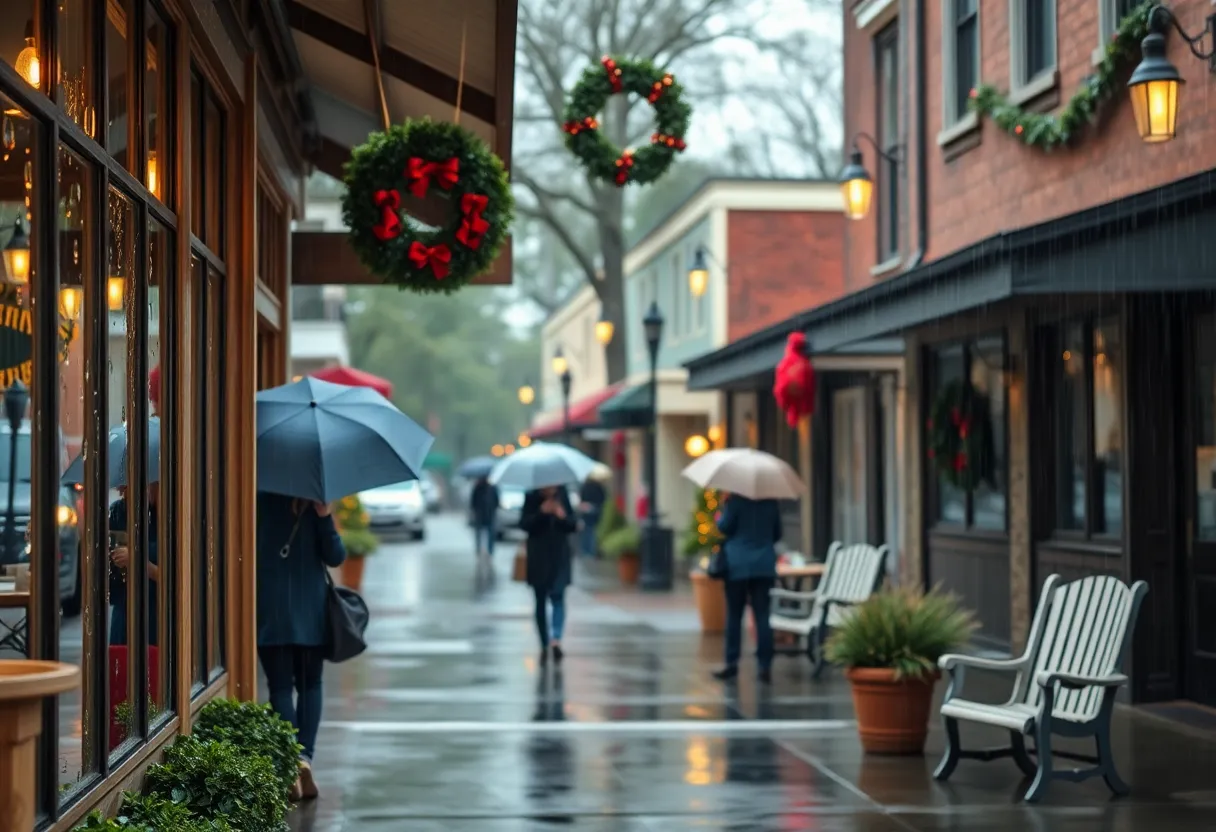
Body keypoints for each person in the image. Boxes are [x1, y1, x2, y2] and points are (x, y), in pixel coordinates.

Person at [256, 492, 347, 801]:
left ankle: (290, 760)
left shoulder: (258, 497)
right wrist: (324, 517)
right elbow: (336, 556)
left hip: (270, 612)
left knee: (280, 688)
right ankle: (304, 758)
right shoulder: (316, 503)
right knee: (310, 685)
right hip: (311, 615)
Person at [713, 492, 782, 684]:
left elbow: (723, 527)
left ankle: (731, 662)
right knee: (762, 615)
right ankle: (764, 665)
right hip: (764, 565)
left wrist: (723, 508)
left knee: (734, 615)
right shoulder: (771, 502)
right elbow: (777, 534)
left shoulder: (734, 501)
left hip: (737, 565)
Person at [519, 485, 577, 664]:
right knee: (540, 601)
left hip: (559, 557)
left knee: (558, 597)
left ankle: (556, 639)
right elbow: (524, 525)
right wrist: (542, 512)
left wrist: (561, 515)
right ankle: (544, 643)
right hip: (538, 558)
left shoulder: (563, 495)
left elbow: (572, 525)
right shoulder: (531, 497)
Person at [108, 483, 161, 648]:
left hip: (154, 609)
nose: (122, 491)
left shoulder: (161, 516)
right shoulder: (117, 511)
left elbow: (174, 578)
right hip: (124, 604)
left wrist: (136, 559)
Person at [577, 473, 607, 557]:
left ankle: (586, 551)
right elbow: (603, 499)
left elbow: (582, 498)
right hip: (594, 509)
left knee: (587, 530)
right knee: (591, 530)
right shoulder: (598, 487)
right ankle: (590, 551)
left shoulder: (585, 486)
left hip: (588, 509)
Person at [469, 475, 500, 556]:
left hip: (489, 515)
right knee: (480, 535)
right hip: (480, 515)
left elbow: (496, 501)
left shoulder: (492, 488)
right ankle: (479, 551)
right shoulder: (477, 488)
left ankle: (489, 552)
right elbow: (473, 502)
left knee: (490, 535)